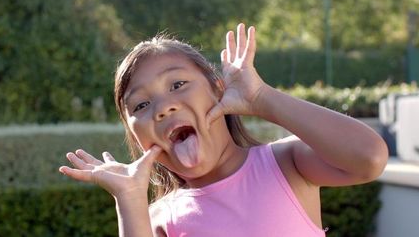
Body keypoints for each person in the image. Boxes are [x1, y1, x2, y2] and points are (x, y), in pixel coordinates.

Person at [59, 23, 388, 236]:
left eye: (177, 84)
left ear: (218, 90)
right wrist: (130, 200)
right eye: (141, 105)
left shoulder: (285, 163)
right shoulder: (159, 219)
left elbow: (369, 158)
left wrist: (261, 98)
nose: (163, 108)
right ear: (136, 137)